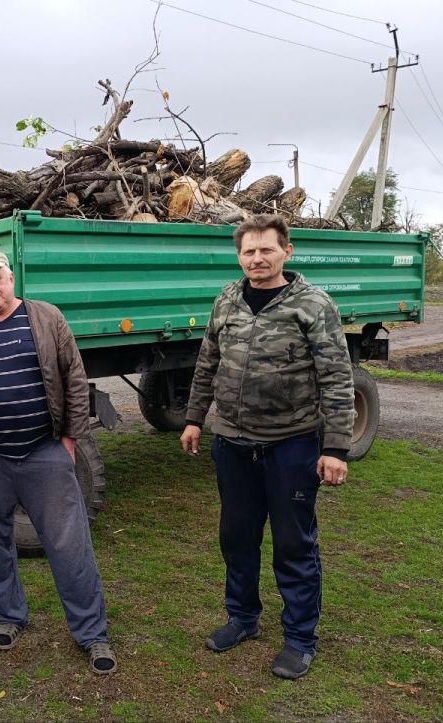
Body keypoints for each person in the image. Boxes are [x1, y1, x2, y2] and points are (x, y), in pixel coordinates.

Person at [180, 214, 354, 680]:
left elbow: (337, 378)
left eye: (266, 250)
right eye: (248, 251)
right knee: (237, 538)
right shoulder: (227, 299)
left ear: (287, 251)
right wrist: (195, 418)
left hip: (291, 445)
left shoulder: (314, 305)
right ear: (240, 256)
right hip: (233, 441)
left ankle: (299, 639)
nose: (257, 259)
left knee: (294, 544)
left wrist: (335, 447)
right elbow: (207, 363)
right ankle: (242, 619)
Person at [0, 249, 117, 675]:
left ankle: (92, 633)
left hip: (43, 451)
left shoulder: (45, 318)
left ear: (11, 278)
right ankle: (10, 616)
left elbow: (74, 379)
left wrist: (71, 439)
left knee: (69, 543)